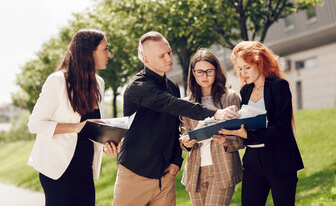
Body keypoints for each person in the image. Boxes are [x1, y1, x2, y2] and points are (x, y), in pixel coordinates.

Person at [112, 31, 239, 206]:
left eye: (169, 52)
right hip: (135, 174)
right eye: (162, 55)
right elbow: (173, 105)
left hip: (166, 176)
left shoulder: (172, 87)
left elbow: (174, 128)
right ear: (146, 60)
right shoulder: (138, 87)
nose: (169, 58)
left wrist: (176, 161)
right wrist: (215, 113)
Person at [27, 29, 121, 206]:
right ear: (89, 52)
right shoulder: (58, 81)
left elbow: (92, 127)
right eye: (105, 49)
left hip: (85, 169)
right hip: (59, 170)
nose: (109, 54)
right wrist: (76, 127)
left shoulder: (99, 83)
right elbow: (35, 124)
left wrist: (107, 142)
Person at [219, 41, 304, 206]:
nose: (243, 73)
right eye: (240, 68)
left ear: (260, 62)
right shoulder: (245, 91)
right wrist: (230, 133)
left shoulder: (279, 86)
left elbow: (281, 129)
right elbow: (244, 127)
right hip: (253, 162)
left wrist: (248, 134)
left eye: (247, 67)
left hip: (280, 160)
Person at [179, 48, 244, 206]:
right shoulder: (187, 104)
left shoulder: (230, 97)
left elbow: (241, 136)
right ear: (193, 73)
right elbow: (182, 137)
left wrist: (226, 141)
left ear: (217, 71)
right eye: (200, 72)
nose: (205, 76)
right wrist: (185, 143)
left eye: (209, 71)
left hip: (222, 169)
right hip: (195, 172)